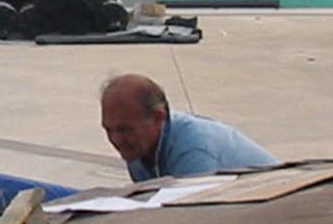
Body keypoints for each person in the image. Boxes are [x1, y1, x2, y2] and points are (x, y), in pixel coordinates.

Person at [99, 73, 276, 183]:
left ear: (158, 118)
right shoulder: (139, 151)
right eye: (109, 130)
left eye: (125, 130)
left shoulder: (195, 152)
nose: (116, 140)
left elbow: (195, 221)